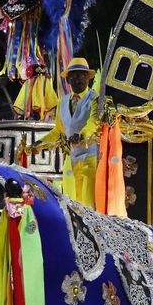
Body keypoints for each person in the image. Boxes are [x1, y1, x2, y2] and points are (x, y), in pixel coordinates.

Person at [40, 58, 99, 207]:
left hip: (90, 159)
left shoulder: (95, 99)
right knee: (70, 203)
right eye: (74, 75)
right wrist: (40, 143)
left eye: (81, 75)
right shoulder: (63, 102)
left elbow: (93, 122)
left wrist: (82, 135)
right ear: (68, 79)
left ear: (88, 77)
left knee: (88, 205)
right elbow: (58, 130)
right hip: (71, 161)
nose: (78, 79)